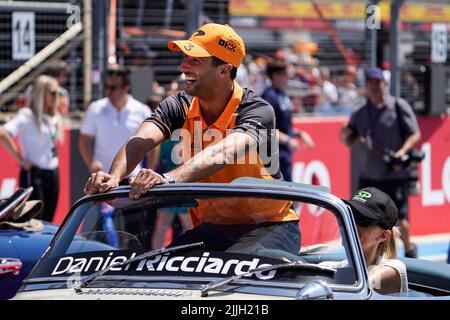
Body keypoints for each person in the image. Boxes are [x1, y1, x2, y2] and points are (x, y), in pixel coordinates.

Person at [83, 23, 300, 255]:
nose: (183, 66)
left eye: (195, 60)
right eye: (186, 57)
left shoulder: (257, 108)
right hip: (217, 228)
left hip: (272, 226)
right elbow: (140, 140)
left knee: (233, 273)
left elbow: (224, 151)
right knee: (158, 272)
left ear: (224, 70)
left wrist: (168, 179)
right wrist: (113, 178)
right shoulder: (180, 104)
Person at [340, 67, 421, 258]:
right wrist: (345, 134)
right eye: (370, 82)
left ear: (385, 84)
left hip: (393, 176)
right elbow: (348, 141)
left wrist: (401, 153)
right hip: (368, 176)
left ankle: (410, 253)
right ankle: (365, 259)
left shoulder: (398, 106)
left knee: (400, 221)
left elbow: (415, 134)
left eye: (377, 82)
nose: (374, 86)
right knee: (361, 221)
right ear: (366, 85)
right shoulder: (360, 113)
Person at [78, 67, 152, 247]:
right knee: (99, 232)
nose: (108, 91)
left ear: (126, 87)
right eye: (107, 87)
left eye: (113, 87)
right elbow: (84, 139)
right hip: (102, 181)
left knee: (135, 232)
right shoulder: (96, 108)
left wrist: (150, 168)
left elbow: (152, 145)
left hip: (132, 180)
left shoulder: (141, 110)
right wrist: (91, 163)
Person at [322, 187, 408, 295]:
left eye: (362, 220)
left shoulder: (394, 269)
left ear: (383, 235)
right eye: (350, 214)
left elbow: (363, 285)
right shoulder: (330, 267)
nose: (352, 222)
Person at [0, 75, 63, 222]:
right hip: (34, 175)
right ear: (41, 94)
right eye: (53, 93)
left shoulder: (52, 115)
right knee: (34, 220)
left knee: (49, 219)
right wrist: (21, 159)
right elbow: (3, 133)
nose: (57, 97)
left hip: (52, 172)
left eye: (58, 93)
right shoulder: (27, 115)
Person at [261, 60, 315, 181]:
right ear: (275, 76)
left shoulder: (282, 94)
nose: (288, 78)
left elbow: (283, 125)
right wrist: (287, 140)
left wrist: (300, 133)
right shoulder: (269, 96)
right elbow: (264, 127)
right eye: (286, 74)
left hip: (284, 155)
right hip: (273, 155)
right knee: (284, 195)